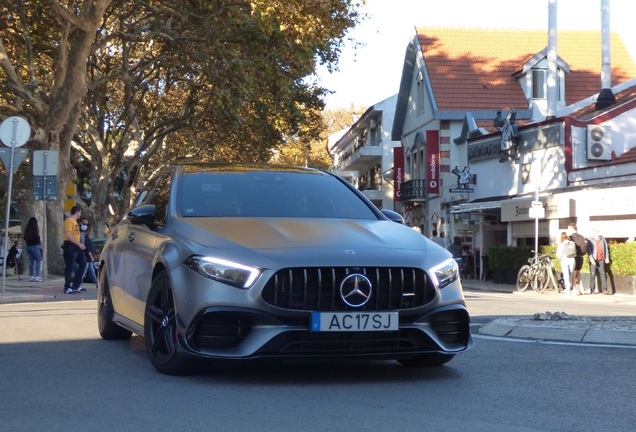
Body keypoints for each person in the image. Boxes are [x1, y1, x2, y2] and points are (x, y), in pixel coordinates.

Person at [62, 206, 86, 294]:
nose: (80, 214)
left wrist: (80, 244)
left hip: (76, 246)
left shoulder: (75, 222)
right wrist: (78, 243)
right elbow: (68, 235)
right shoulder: (69, 221)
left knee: (83, 264)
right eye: (80, 212)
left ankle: (76, 285)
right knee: (69, 266)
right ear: (77, 212)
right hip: (70, 246)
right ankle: (67, 287)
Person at [588, 227, 611, 295]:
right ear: (594, 232)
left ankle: (604, 289)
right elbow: (589, 250)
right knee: (592, 274)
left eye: (598, 232)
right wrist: (591, 259)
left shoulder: (602, 239)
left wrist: (606, 257)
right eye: (597, 232)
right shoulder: (590, 239)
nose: (598, 233)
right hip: (594, 258)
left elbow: (606, 248)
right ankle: (592, 289)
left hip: (601, 258)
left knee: (603, 274)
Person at [567, 223, 587, 294]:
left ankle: (574, 289)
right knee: (578, 272)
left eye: (568, 228)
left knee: (573, 273)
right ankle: (581, 288)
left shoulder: (571, 237)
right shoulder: (581, 237)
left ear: (571, 228)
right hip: (581, 257)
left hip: (574, 257)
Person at [79, 217, 98, 289]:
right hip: (87, 257)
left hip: (89, 258)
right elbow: (88, 248)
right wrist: (91, 256)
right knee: (84, 271)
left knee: (91, 271)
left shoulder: (88, 237)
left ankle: (97, 283)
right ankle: (79, 284)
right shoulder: (85, 237)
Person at [556, 232, 576, 296]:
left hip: (565, 260)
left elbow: (559, 255)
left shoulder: (561, 244)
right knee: (571, 275)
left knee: (566, 276)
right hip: (572, 260)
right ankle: (573, 289)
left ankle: (568, 290)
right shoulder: (572, 243)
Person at [23, 217, 42, 282]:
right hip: (35, 246)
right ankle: (37, 276)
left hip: (28, 246)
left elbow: (24, 238)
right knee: (38, 261)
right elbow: (38, 237)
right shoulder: (35, 230)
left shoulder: (27, 230)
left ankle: (31, 276)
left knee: (31, 261)